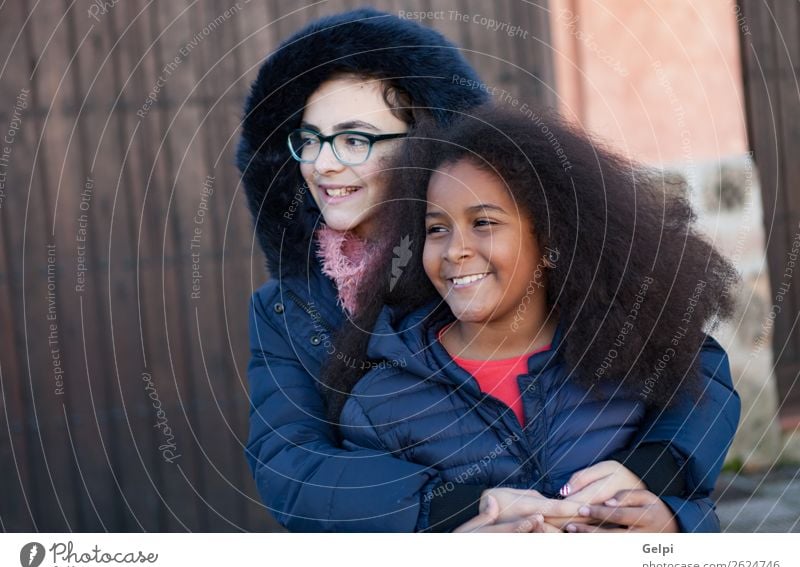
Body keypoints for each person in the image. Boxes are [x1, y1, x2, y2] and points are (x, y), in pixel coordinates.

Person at [237, 8, 740, 532]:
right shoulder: (285, 309)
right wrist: (454, 513)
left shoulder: (510, 248)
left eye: (354, 139)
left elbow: (688, 362)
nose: (323, 164)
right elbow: (291, 463)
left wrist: (653, 476)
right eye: (310, 140)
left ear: (425, 137)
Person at [326, 104, 741, 532]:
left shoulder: (626, 359)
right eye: (437, 229)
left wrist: (673, 526)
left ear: (549, 238)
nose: (454, 250)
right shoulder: (380, 404)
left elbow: (693, 507)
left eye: (483, 222)